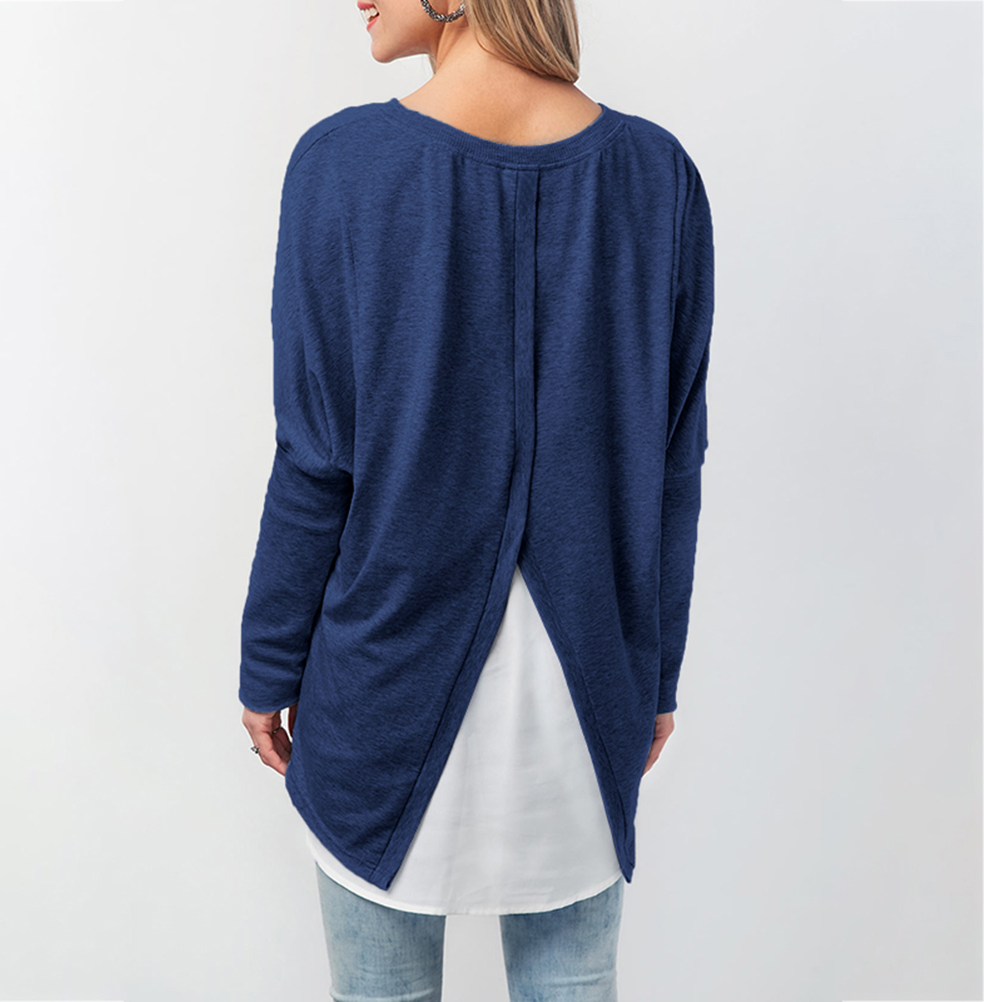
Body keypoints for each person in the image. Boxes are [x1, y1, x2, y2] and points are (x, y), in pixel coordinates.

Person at [239, 0, 715, 998]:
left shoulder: (342, 166)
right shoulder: (659, 177)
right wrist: (657, 675)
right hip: (582, 714)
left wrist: (268, 663)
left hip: (381, 700)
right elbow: (674, 469)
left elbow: (314, 458)